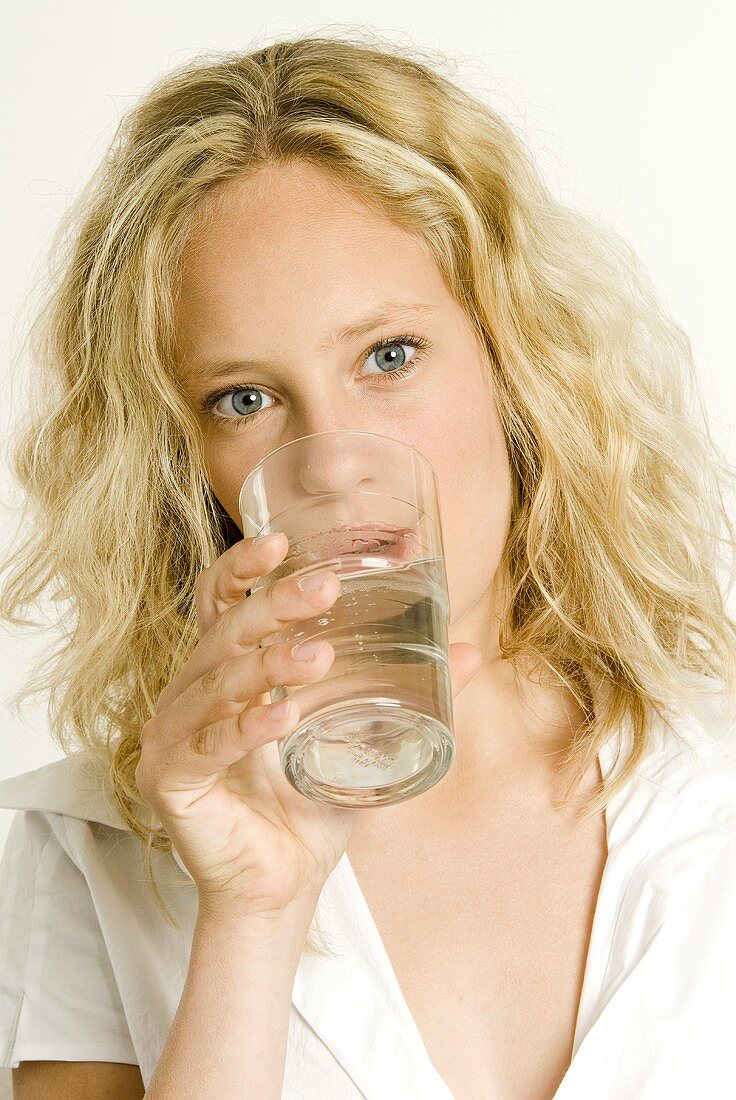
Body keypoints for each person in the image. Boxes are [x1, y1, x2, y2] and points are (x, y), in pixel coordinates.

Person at [1, 31, 735, 1100]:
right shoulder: (109, 853)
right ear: (188, 459)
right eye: (244, 398)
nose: (337, 459)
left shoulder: (713, 789)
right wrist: (253, 919)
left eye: (388, 356)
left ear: (512, 361)